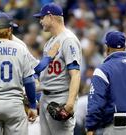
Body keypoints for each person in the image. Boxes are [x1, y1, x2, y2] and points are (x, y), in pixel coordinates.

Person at [33, 3, 82, 135]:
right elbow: (47, 74)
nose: (40, 21)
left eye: (42, 17)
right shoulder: (50, 42)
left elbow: (75, 74)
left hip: (61, 97)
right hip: (45, 97)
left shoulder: (68, 40)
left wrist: (70, 103)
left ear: (50, 17)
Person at [86, 31, 126, 135]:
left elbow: (96, 103)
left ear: (107, 48)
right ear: (124, 47)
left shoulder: (103, 69)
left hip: (117, 128)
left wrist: (90, 126)